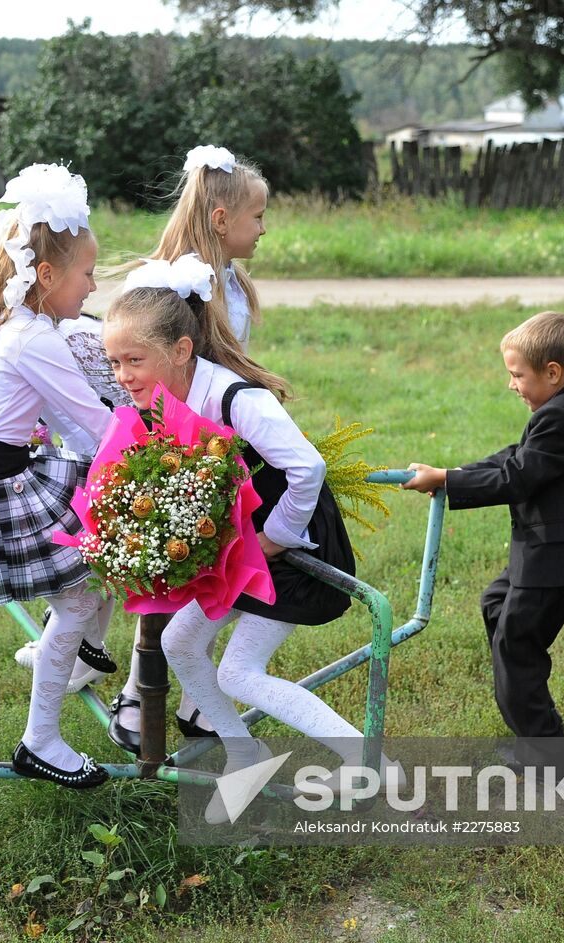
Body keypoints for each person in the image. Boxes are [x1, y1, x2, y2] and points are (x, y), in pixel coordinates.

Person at [103, 256, 384, 817]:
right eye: (113, 362)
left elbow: (306, 468)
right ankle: (244, 754)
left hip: (296, 551)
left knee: (238, 672)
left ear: (181, 350)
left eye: (134, 360)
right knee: (179, 642)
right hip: (245, 553)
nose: (122, 374)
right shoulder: (164, 403)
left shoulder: (238, 399)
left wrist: (277, 536)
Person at [0, 163, 115, 788]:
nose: (93, 286)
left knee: (96, 557)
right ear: (47, 275)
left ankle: (81, 651)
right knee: (88, 580)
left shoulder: (15, 325)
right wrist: (160, 453)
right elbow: (90, 423)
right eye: (88, 273)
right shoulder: (33, 337)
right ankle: (41, 739)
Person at [101, 144, 275, 752]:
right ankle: (136, 692)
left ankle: (201, 701)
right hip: (173, 440)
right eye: (256, 217)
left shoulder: (229, 279)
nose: (263, 228)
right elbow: (137, 360)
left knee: (205, 570)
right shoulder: (169, 282)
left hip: (216, 436)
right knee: (165, 569)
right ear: (223, 218)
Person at [402, 310, 564, 775]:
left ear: (552, 372)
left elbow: (517, 477)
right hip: (548, 553)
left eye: (518, 375)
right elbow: (515, 457)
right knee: (497, 607)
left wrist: (448, 481)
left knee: (516, 648)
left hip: (560, 558)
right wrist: (450, 475)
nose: (512, 384)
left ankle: (544, 762)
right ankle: (534, 744)